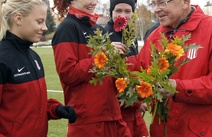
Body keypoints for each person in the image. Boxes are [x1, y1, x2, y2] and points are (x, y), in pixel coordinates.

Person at [131, 0, 212, 136]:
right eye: (153, 4)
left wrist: (177, 88)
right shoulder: (154, 37)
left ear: (185, 2)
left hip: (203, 131)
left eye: (162, 3)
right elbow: (136, 79)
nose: (156, 9)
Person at [51, 0, 130, 136]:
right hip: (88, 121)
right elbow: (68, 73)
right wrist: (104, 56)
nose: (95, 2)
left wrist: (119, 66)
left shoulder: (98, 29)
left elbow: (107, 73)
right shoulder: (67, 28)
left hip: (112, 115)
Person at [0, 0, 76, 136]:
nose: (45, 27)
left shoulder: (34, 57)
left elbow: (28, 105)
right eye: (39, 21)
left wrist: (55, 109)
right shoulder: (2, 59)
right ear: (18, 19)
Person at [104, 0, 148, 136]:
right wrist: (136, 102)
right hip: (117, 117)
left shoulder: (130, 36)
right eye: (118, 10)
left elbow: (136, 72)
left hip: (134, 114)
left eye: (127, 11)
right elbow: (108, 84)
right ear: (111, 12)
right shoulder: (104, 38)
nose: (123, 15)